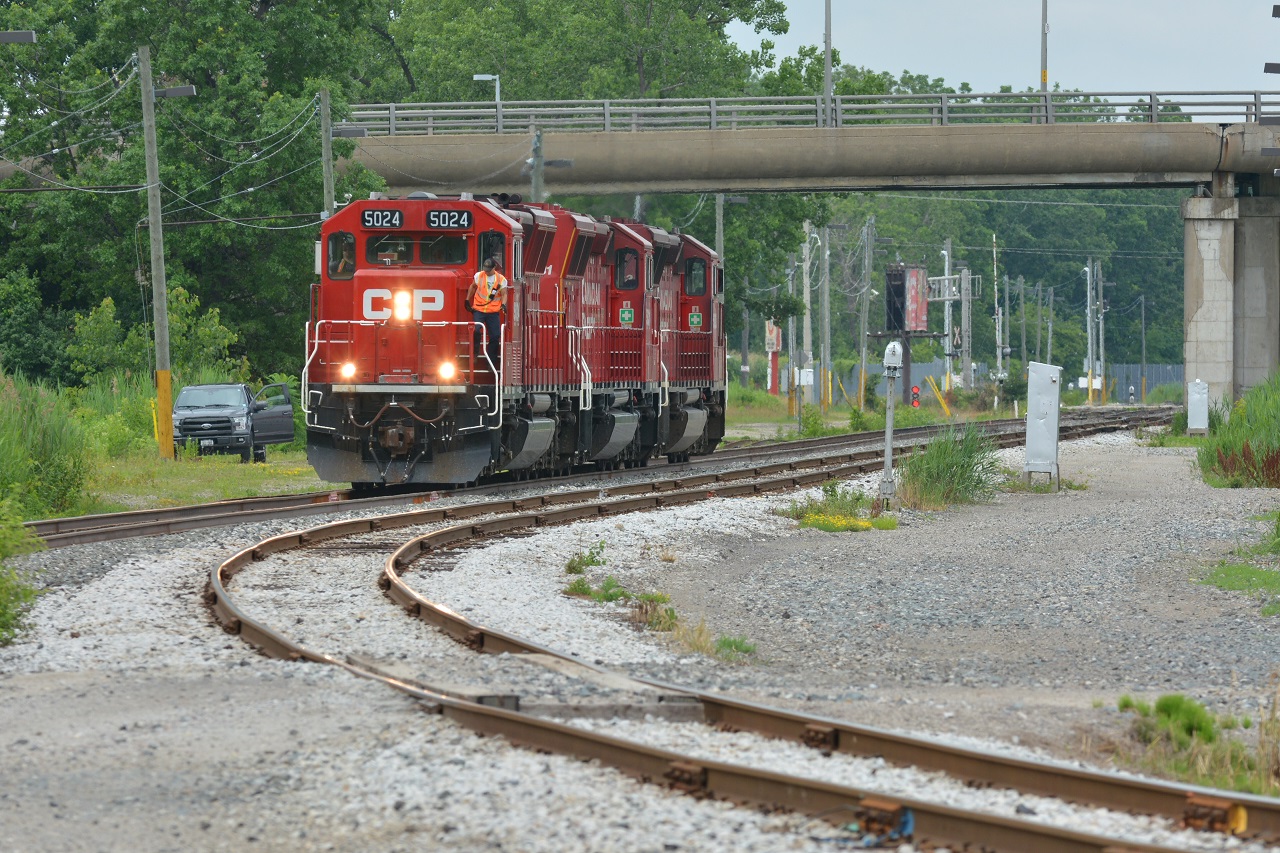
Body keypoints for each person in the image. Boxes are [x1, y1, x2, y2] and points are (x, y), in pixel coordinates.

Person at [466, 257, 507, 371]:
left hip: (493, 312)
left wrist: (503, 305)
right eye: (485, 269)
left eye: (488, 269)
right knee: (476, 330)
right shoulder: (479, 275)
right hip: (479, 309)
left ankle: (491, 361)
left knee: (495, 336)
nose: (486, 271)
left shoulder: (501, 279)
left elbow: (504, 294)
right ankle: (474, 354)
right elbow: (473, 287)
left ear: (494, 268)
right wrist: (467, 300)